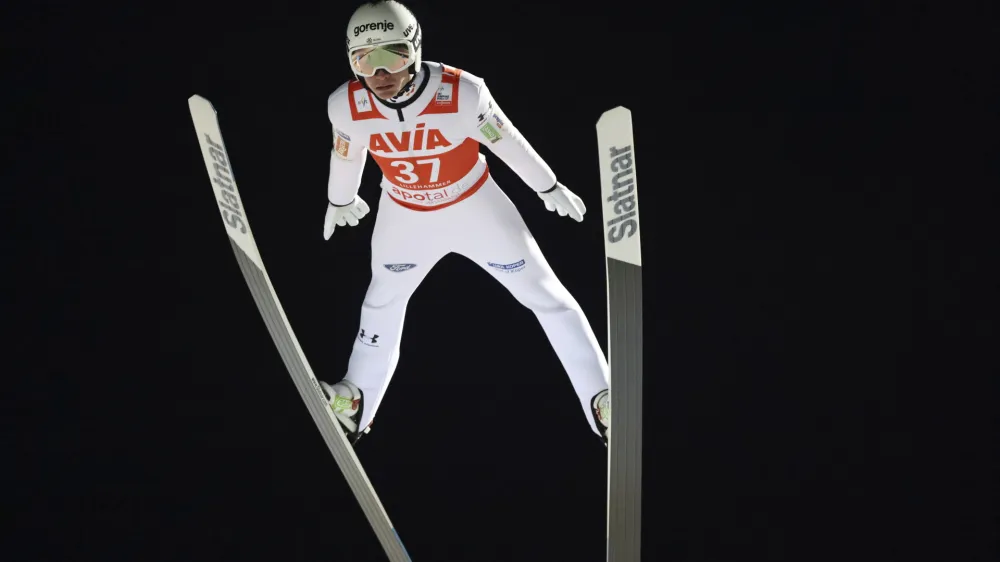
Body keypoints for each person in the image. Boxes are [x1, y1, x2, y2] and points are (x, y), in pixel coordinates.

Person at [319, 0, 611, 446]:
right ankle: (355, 400)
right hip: (405, 215)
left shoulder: (461, 92)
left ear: (414, 49)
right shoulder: (346, 105)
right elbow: (347, 153)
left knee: (547, 297)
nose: (379, 72)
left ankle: (603, 399)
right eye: (364, 58)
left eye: (391, 54)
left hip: (474, 208)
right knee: (382, 302)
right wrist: (339, 199)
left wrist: (547, 186)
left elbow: (505, 140)